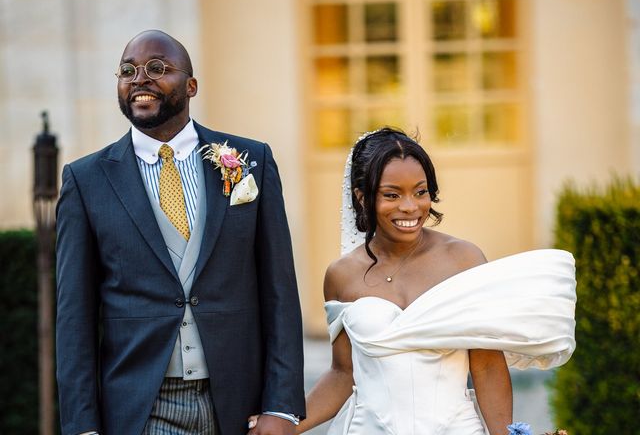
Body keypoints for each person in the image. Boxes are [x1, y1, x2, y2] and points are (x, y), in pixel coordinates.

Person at [55, 29, 305, 435]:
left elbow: (279, 289)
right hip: (142, 406)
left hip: (240, 403)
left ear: (191, 86)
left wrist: (283, 405)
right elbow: (74, 316)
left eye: (157, 68)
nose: (140, 79)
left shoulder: (251, 161)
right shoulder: (86, 180)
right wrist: (82, 425)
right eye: (127, 70)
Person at [250, 128, 576, 434]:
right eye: (392, 194)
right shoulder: (341, 275)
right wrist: (284, 425)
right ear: (362, 197)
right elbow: (343, 374)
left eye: (421, 192)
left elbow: (488, 367)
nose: (410, 207)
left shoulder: (464, 259)